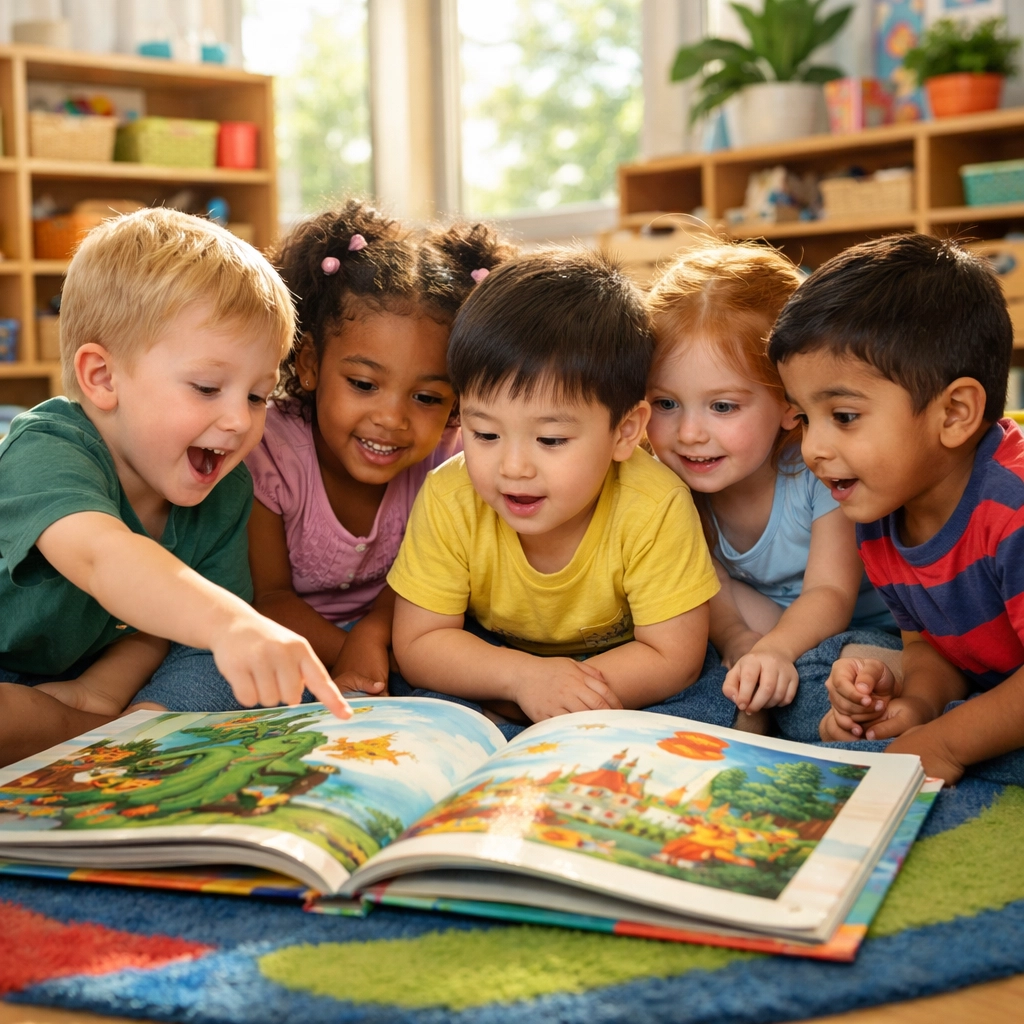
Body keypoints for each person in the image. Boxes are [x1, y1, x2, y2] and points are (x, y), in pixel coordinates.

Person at [0, 208, 349, 766]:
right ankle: (87, 731)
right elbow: (103, 559)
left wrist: (105, 694)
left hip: (89, 672)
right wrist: (230, 622)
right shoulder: (46, 449)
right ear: (103, 378)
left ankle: (122, 728)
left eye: (257, 396)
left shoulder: (225, 486)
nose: (240, 420)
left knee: (228, 657)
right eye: (208, 387)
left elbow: (166, 627)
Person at [387, 247, 725, 732]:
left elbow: (673, 655)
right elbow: (419, 643)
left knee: (704, 700)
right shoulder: (451, 494)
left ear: (626, 431)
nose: (514, 467)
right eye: (485, 434)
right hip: (495, 662)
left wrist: (561, 691)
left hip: (622, 670)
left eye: (550, 440)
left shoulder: (654, 504)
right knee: (420, 702)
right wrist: (522, 678)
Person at [769, 233, 1021, 784]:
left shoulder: (1014, 510)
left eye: (844, 415)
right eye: (804, 418)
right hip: (994, 676)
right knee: (827, 671)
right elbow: (930, 643)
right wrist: (919, 705)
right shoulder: (878, 509)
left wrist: (947, 743)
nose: (813, 448)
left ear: (954, 413)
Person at [244, 200, 515, 698]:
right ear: (309, 364)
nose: (392, 419)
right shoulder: (268, 452)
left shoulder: (450, 458)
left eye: (427, 397)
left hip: (407, 632)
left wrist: (372, 636)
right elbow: (270, 598)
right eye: (364, 384)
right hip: (288, 635)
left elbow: (433, 585)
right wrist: (351, 649)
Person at [645, 243, 895, 731]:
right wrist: (739, 639)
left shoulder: (817, 472)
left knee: (851, 675)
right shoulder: (671, 481)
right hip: (762, 618)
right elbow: (708, 584)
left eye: (722, 407)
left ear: (790, 404)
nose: (690, 434)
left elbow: (830, 594)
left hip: (859, 625)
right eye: (666, 403)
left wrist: (776, 650)